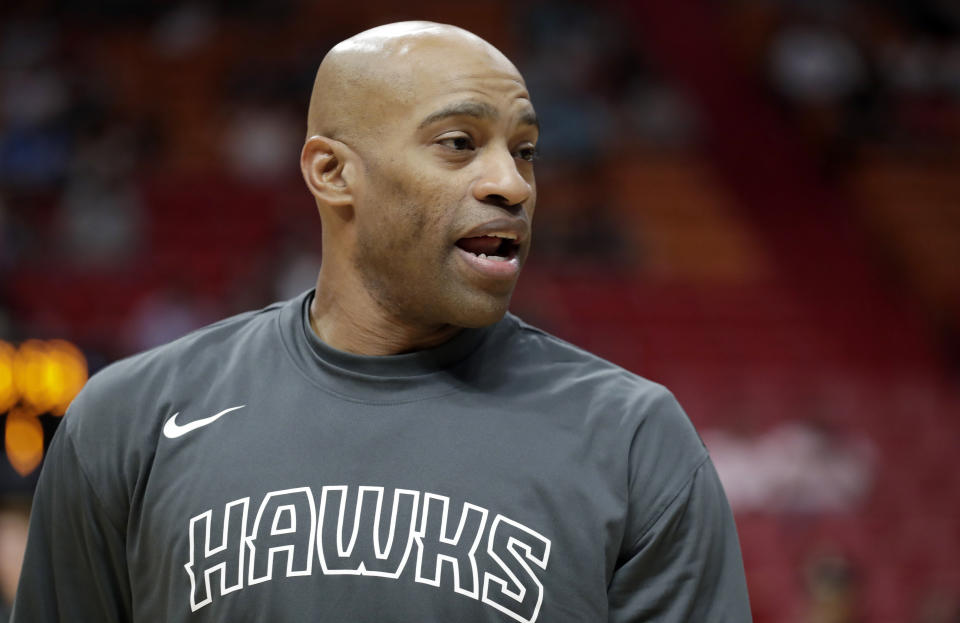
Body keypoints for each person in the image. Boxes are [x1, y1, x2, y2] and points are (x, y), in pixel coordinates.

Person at [12, 22, 751, 622]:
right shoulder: (129, 419)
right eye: (459, 143)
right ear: (332, 172)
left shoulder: (633, 439)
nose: (512, 183)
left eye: (524, 151)